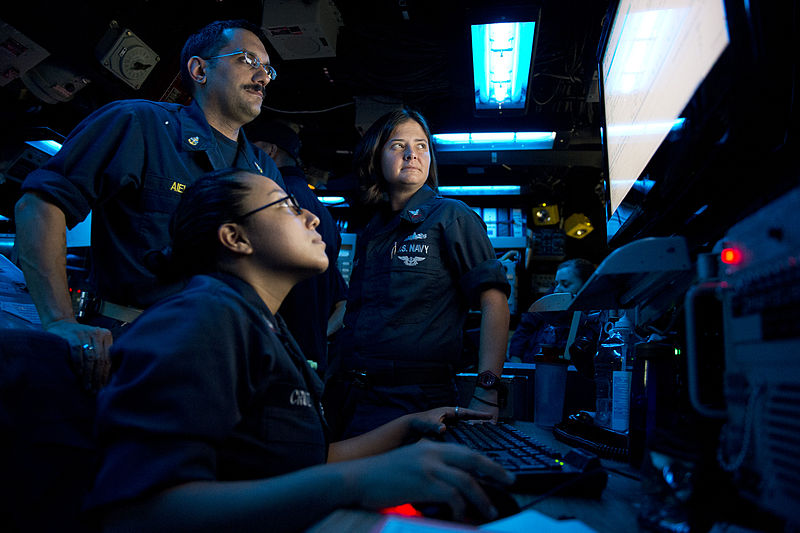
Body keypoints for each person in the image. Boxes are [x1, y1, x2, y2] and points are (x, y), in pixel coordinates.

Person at [83, 168, 514, 531]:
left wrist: (410, 425)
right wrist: (354, 482)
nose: (311, 216)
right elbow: (135, 514)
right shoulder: (201, 318)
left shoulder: (264, 326)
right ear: (236, 238)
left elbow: (298, 460)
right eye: (287, 206)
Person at [13, 19, 283, 388]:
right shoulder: (139, 123)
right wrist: (60, 321)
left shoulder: (262, 168)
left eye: (267, 68)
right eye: (248, 60)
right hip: (133, 346)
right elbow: (40, 205)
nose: (263, 77)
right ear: (200, 69)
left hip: (221, 355)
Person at [324, 108, 511, 439]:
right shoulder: (373, 230)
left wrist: (487, 390)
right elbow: (358, 310)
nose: (412, 154)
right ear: (376, 156)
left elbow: (494, 303)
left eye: (421, 145)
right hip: (355, 394)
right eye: (398, 145)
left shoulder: (452, 217)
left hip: (417, 399)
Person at [245, 118, 347, 372]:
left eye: (249, 148)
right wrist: (317, 337)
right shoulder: (322, 211)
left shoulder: (272, 197)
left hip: (274, 355)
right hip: (309, 356)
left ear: (268, 151)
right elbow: (343, 301)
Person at [508, 258, 601, 377]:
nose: (557, 290)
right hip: (533, 369)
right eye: (556, 284)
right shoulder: (548, 301)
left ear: (586, 285)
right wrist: (517, 363)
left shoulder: (595, 316)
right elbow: (525, 328)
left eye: (565, 284)